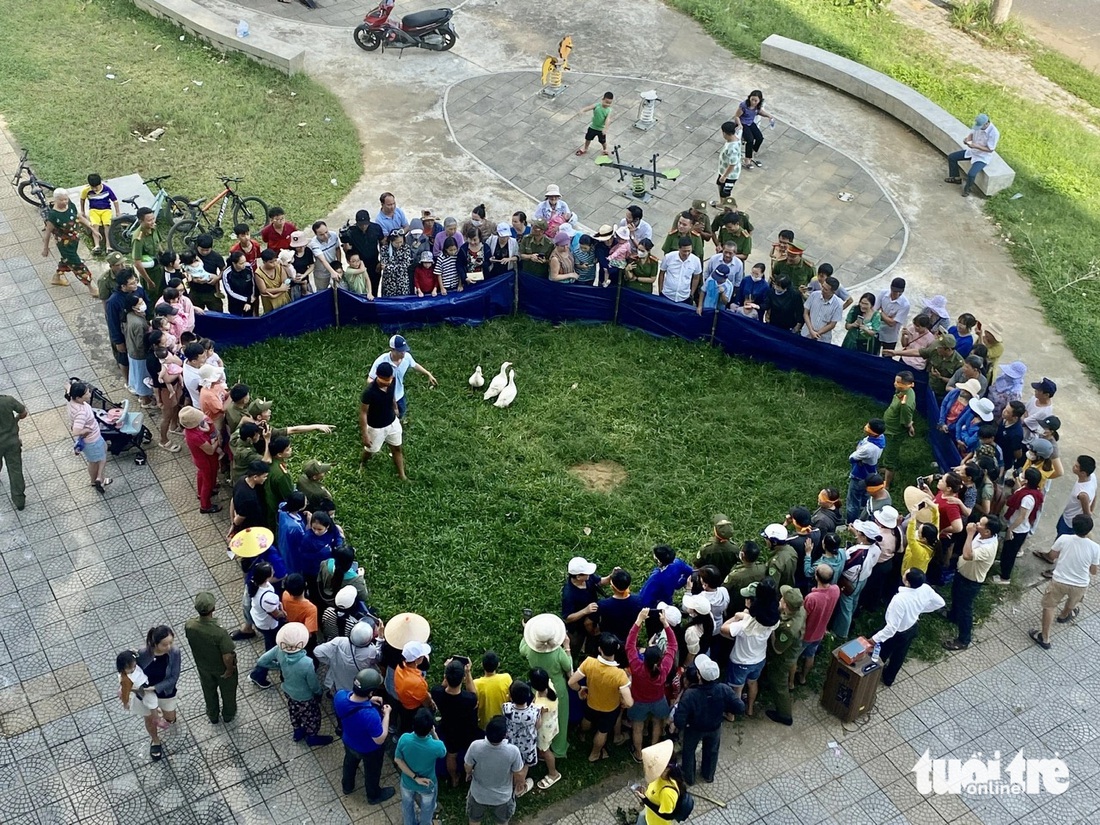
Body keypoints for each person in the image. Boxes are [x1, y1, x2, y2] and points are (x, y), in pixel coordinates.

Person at [1030, 515, 1100, 650]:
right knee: (1072, 603)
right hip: (1080, 584)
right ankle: (1064, 615)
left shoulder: (1064, 539)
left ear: (1073, 526)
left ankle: (1045, 637)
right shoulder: (1095, 548)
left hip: (1060, 580)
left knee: (1049, 606)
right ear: (1090, 530)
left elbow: (1051, 556)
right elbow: (1093, 571)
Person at [872, 568, 944, 686]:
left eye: (906, 573)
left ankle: (872, 675)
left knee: (882, 653)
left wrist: (874, 639)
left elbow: (891, 628)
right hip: (911, 628)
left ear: (907, 582)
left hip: (897, 633)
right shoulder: (926, 589)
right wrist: (920, 609)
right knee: (900, 654)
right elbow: (940, 603)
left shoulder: (900, 600)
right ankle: (889, 678)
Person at [568, 632, 633, 761]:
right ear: (617, 649)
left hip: (591, 702)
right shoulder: (620, 674)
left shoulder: (589, 663)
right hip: (610, 709)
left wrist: (580, 689)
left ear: (599, 649)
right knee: (602, 731)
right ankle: (594, 754)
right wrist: (624, 701)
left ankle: (582, 734)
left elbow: (571, 682)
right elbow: (629, 702)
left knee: (587, 719)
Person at [721, 579, 780, 717]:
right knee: (753, 683)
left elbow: (724, 630)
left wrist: (736, 617)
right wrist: (746, 614)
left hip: (741, 662)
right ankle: (750, 708)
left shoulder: (745, 625)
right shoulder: (773, 619)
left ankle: (731, 714)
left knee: (737, 688)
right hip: (759, 659)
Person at [336, 667, 395, 803]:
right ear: (370, 692)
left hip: (348, 740)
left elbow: (353, 699)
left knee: (349, 762)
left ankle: (347, 786)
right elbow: (380, 739)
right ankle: (373, 795)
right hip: (368, 749)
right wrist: (386, 715)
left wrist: (370, 699)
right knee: (372, 771)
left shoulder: (340, 696)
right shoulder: (370, 715)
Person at [943, 515, 1002, 651]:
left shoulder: (988, 548)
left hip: (970, 581)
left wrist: (970, 534)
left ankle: (963, 639)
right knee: (955, 596)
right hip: (962, 573)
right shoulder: (984, 535)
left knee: (965, 609)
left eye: (980, 524)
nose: (976, 524)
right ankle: (953, 616)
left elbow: (968, 555)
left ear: (987, 532)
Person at [519, 614, 572, 760]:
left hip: (538, 689)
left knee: (542, 720)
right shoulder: (558, 652)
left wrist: (526, 632)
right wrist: (567, 648)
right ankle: (559, 748)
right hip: (558, 688)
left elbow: (522, 648)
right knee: (560, 717)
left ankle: (542, 745)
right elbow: (568, 668)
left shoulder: (529, 650)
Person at [626, 608, 677, 759]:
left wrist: (639, 620)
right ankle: (654, 748)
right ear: (660, 659)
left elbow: (629, 645)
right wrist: (665, 624)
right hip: (658, 700)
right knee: (657, 723)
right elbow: (673, 645)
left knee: (637, 728)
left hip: (638, 701)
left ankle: (638, 753)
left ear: (643, 657)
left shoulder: (636, 666)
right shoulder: (664, 668)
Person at [184, 592, 238, 723]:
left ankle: (212, 714)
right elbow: (227, 656)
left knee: (208, 690)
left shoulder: (190, 625)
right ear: (213, 608)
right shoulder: (219, 632)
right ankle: (228, 714)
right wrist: (229, 670)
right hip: (221, 668)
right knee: (228, 692)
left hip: (203, 666)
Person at [464, 716, 525, 825]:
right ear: (505, 735)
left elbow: (468, 766)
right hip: (503, 797)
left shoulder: (475, 746)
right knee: (502, 822)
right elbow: (518, 774)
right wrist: (520, 784)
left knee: (474, 820)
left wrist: (469, 773)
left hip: (478, 794)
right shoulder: (513, 751)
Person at [430, 659, 480, 787]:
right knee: (468, 751)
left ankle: (454, 778)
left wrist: (447, 672)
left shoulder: (437, 693)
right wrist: (468, 673)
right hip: (466, 729)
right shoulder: (469, 699)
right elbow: (474, 694)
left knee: (451, 755)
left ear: (446, 677)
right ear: (462, 678)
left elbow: (442, 687)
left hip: (449, 728)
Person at [394, 707, 448, 825]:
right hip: (427, 784)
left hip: (407, 782)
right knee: (427, 811)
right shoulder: (436, 746)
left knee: (407, 807)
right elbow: (443, 752)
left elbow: (398, 760)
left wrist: (415, 778)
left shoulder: (404, 739)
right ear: (429, 728)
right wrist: (434, 733)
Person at [761, 585, 805, 726]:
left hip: (783, 657)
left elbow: (778, 649)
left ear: (785, 604)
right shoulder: (800, 610)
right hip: (792, 650)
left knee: (779, 684)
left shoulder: (788, 629)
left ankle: (785, 715)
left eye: (782, 598)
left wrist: (773, 630)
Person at [831, 521, 884, 638]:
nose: (857, 533)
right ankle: (851, 617)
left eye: (859, 532)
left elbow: (845, 563)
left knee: (846, 606)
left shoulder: (856, 551)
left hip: (850, 581)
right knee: (854, 600)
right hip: (863, 579)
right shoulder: (877, 548)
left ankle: (841, 632)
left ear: (864, 536)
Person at [136, 626, 181, 759]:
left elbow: (174, 677)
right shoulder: (142, 654)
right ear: (155, 644)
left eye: (171, 643)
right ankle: (155, 740)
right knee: (149, 720)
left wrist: (156, 687)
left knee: (170, 718)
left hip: (165, 691)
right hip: (146, 694)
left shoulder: (175, 652)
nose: (169, 647)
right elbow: (134, 671)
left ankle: (162, 713)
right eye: (164, 644)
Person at [368, 334, 437, 420]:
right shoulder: (381, 361)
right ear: (392, 350)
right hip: (386, 397)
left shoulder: (407, 357)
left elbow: (414, 364)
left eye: (404, 350)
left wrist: (428, 374)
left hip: (400, 395)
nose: (403, 353)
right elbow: (370, 379)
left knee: (401, 412)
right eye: (400, 351)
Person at [359, 361, 406, 480]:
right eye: (384, 380)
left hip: (392, 422)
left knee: (397, 448)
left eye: (389, 380)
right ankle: (363, 463)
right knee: (371, 451)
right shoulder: (369, 392)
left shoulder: (392, 381)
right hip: (376, 427)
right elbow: (363, 413)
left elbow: (392, 395)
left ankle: (402, 475)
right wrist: (365, 434)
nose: (387, 383)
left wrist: (395, 407)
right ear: (377, 376)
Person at [795, 565, 840, 685]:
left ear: (816, 576)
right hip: (819, 633)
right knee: (811, 655)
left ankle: (790, 683)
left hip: (806, 634)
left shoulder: (811, 598)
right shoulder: (836, 590)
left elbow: (803, 617)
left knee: (794, 657)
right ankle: (803, 677)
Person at [42, 189, 94, 290]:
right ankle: (91, 287)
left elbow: (78, 217)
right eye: (62, 200)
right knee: (77, 265)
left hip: (74, 240)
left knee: (67, 260)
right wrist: (45, 248)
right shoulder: (53, 215)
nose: (65, 202)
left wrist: (92, 228)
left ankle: (56, 277)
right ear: (56, 200)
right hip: (64, 245)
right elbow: (47, 233)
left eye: (66, 199)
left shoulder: (70, 205)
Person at [66, 381, 109, 492]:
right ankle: (97, 480)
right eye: (87, 393)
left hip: (94, 438)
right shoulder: (81, 412)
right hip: (92, 440)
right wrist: (87, 430)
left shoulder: (72, 400)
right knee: (95, 461)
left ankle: (98, 478)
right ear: (79, 398)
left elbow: (68, 389)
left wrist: (68, 386)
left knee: (103, 451)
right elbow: (76, 431)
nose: (89, 394)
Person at [945, 113, 999, 197]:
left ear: (986, 124)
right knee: (952, 157)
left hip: (982, 157)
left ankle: (967, 190)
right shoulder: (979, 127)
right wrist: (967, 140)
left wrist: (976, 146)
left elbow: (990, 149)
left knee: (971, 174)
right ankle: (955, 178)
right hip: (972, 152)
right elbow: (972, 134)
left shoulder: (994, 133)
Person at [179, 406, 221, 513]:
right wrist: (217, 440)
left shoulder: (191, 429)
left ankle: (201, 494)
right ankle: (205, 506)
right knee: (206, 481)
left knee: (202, 475)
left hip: (200, 458)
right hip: (204, 460)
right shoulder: (195, 436)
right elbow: (210, 450)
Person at [634, 741, 686, 825]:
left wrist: (645, 800)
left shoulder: (667, 793)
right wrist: (646, 794)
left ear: (666, 769)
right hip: (648, 816)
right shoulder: (658, 776)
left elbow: (667, 816)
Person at [501, 681, 539, 796]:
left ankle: (512, 783)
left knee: (514, 765)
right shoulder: (534, 711)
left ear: (511, 697)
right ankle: (520, 787)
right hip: (527, 745)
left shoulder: (506, 708)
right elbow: (538, 725)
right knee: (525, 765)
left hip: (512, 743)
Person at [846, 418, 887, 523]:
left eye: (868, 427)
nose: (866, 427)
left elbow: (852, 458)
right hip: (871, 473)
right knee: (866, 496)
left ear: (874, 433)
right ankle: (864, 516)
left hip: (859, 475)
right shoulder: (881, 438)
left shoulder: (869, 448)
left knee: (853, 501)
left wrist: (858, 452)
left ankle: (851, 523)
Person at [881, 371, 916, 489]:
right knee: (888, 451)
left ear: (908, 384)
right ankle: (886, 469)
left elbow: (906, 420)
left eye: (899, 382)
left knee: (891, 456)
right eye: (896, 381)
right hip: (888, 428)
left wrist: (910, 426)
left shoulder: (906, 403)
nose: (895, 384)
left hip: (893, 432)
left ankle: (887, 484)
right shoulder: (903, 391)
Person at [0, 394, 28, 511]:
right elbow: (23, 412)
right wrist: (15, 421)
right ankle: (19, 500)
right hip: (11, 441)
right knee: (15, 470)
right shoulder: (7, 400)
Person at [734, 89, 774, 169]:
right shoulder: (744, 105)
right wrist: (739, 124)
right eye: (752, 99)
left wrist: (769, 116)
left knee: (759, 138)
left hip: (750, 123)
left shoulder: (757, 106)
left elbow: (760, 112)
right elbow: (737, 116)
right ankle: (747, 160)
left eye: (756, 100)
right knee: (750, 140)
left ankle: (751, 153)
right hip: (743, 123)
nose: (753, 102)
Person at [474, 650, 512, 731]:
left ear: (482, 665)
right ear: (498, 664)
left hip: (485, 727)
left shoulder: (476, 684)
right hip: (504, 724)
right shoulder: (506, 678)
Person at [658, 235, 702, 304]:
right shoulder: (668, 257)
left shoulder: (696, 260)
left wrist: (691, 293)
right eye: (684, 251)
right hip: (667, 295)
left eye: (689, 251)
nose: (687, 254)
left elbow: (696, 278)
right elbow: (661, 273)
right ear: (679, 248)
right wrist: (660, 290)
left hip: (684, 297)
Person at [801, 276, 845, 343]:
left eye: (826, 289)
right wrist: (811, 330)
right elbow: (806, 313)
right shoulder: (814, 295)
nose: (822, 290)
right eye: (822, 286)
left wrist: (817, 333)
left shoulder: (838, 304)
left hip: (823, 339)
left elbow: (832, 324)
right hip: (806, 333)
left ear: (833, 292)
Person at [875, 277, 910, 354]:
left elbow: (892, 323)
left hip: (890, 336)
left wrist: (881, 312)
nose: (896, 294)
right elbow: (874, 311)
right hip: (876, 330)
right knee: (873, 354)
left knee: (887, 356)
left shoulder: (905, 305)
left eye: (899, 292)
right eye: (894, 291)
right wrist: (887, 318)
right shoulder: (882, 294)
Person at [577, 91, 613, 156]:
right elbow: (589, 107)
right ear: (602, 99)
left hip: (601, 129)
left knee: (603, 141)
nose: (607, 104)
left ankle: (605, 149)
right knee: (588, 138)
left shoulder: (609, 110)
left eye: (609, 103)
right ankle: (585, 148)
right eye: (606, 102)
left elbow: (608, 119)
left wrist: (605, 128)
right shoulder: (597, 105)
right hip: (593, 127)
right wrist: (583, 110)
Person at [716, 120, 743, 198]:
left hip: (730, 175)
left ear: (724, 133)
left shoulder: (732, 148)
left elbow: (732, 164)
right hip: (723, 170)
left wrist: (724, 176)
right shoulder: (737, 135)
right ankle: (721, 203)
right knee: (719, 184)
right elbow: (741, 127)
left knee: (725, 193)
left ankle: (726, 206)